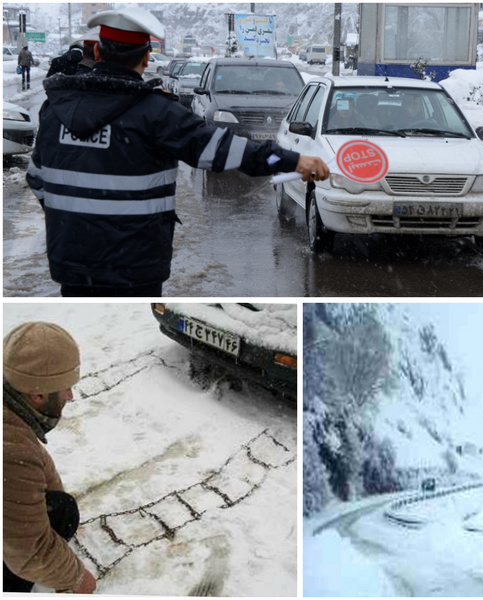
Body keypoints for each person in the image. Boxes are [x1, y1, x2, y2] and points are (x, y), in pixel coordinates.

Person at [26, 6, 329, 297]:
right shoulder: (157, 114)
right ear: (146, 58)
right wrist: (293, 160)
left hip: (73, 265)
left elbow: (37, 177)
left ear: (96, 52)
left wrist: (75, 221)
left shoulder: (56, 109)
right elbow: (229, 151)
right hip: (135, 267)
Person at [3, 322, 97, 594]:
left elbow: (36, 464)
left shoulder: (11, 416)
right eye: (65, 387)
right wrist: (78, 578)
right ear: (38, 394)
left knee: (61, 508)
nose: (70, 395)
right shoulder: (9, 449)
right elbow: (28, 550)